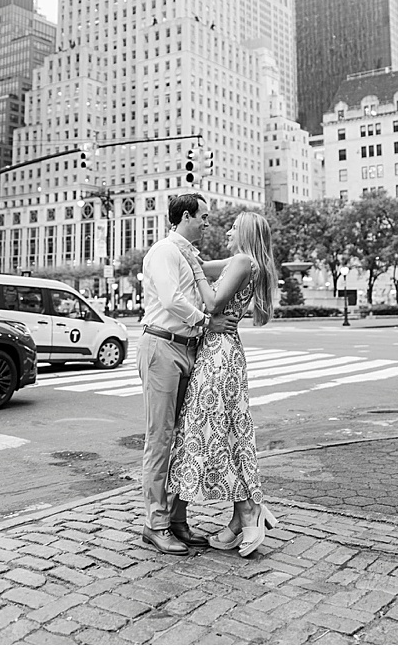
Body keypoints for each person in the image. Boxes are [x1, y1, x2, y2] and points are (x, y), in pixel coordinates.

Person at [170, 211, 282, 556]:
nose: (227, 232)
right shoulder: (244, 263)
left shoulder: (244, 260)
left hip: (219, 354)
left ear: (245, 233)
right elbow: (203, 265)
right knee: (227, 430)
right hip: (221, 351)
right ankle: (243, 515)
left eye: (233, 228)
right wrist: (191, 257)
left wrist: (199, 272)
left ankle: (248, 512)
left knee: (214, 430)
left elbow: (213, 302)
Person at [136, 192, 237, 555]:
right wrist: (209, 321)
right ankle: (155, 525)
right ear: (186, 217)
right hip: (162, 345)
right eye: (204, 217)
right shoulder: (164, 251)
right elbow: (170, 299)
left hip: (188, 348)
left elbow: (220, 268)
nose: (208, 223)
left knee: (185, 436)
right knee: (161, 438)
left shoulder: (189, 255)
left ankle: (178, 519)